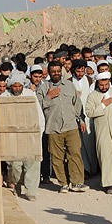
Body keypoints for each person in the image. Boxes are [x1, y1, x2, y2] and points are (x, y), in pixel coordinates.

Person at [36, 60, 88, 193]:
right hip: (53, 128)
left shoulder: (69, 85)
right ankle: (63, 183)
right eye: (53, 72)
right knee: (57, 157)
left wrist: (80, 119)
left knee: (75, 153)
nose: (56, 74)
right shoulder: (43, 89)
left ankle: (76, 182)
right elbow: (37, 108)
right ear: (48, 73)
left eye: (58, 71)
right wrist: (48, 97)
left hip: (71, 126)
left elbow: (77, 104)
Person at [6, 78, 45, 202]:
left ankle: (31, 191)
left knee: (32, 163)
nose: (17, 88)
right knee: (15, 165)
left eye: (19, 86)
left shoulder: (30, 94)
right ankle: (16, 183)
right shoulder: (5, 97)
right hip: (12, 136)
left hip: (30, 134)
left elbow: (38, 114)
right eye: (15, 86)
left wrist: (39, 132)